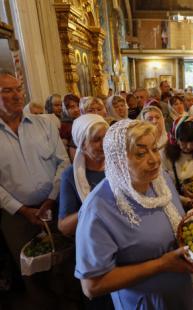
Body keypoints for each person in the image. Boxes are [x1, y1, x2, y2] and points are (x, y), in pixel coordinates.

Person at [75, 120, 193, 309]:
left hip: (180, 293)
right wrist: (161, 265)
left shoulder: (160, 179)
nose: (154, 159)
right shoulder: (98, 209)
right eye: (141, 153)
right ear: (118, 160)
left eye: (155, 149)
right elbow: (92, 286)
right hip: (146, 301)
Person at [0, 70, 70, 308]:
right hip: (17, 216)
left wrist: (51, 200)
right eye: (7, 91)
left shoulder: (45, 124)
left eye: (19, 89)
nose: (17, 95)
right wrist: (21, 210)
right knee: (32, 271)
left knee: (64, 262)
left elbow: (63, 162)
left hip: (55, 205)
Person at [58, 114, 109, 236]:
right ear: (82, 145)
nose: (104, 143)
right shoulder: (70, 175)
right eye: (96, 139)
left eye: (106, 137)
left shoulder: (119, 166)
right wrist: (92, 206)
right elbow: (64, 227)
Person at [163, 116, 193, 207]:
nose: (189, 146)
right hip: (178, 203)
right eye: (183, 141)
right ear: (176, 137)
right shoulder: (166, 156)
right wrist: (185, 201)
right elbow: (165, 189)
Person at [61, 93, 81, 159]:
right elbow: (64, 149)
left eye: (78, 105)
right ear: (65, 109)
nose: (76, 109)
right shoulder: (65, 125)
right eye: (72, 107)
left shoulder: (82, 120)